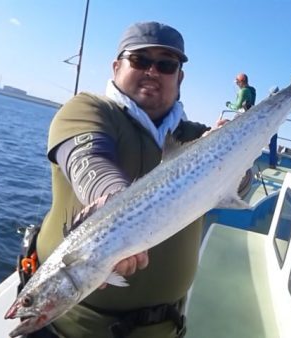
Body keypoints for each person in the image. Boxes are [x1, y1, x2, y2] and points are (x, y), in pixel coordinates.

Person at [34, 21, 211, 338]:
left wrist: (241, 166)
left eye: (166, 64)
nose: (152, 72)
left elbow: (234, 186)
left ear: (179, 77)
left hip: (166, 329)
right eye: (140, 60)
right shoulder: (88, 109)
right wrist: (115, 215)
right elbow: (87, 161)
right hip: (75, 329)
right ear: (117, 66)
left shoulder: (199, 138)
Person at [268, 86, 279, 169]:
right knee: (273, 146)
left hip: (266, 127)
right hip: (274, 127)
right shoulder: (280, 103)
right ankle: (273, 163)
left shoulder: (268, 102)